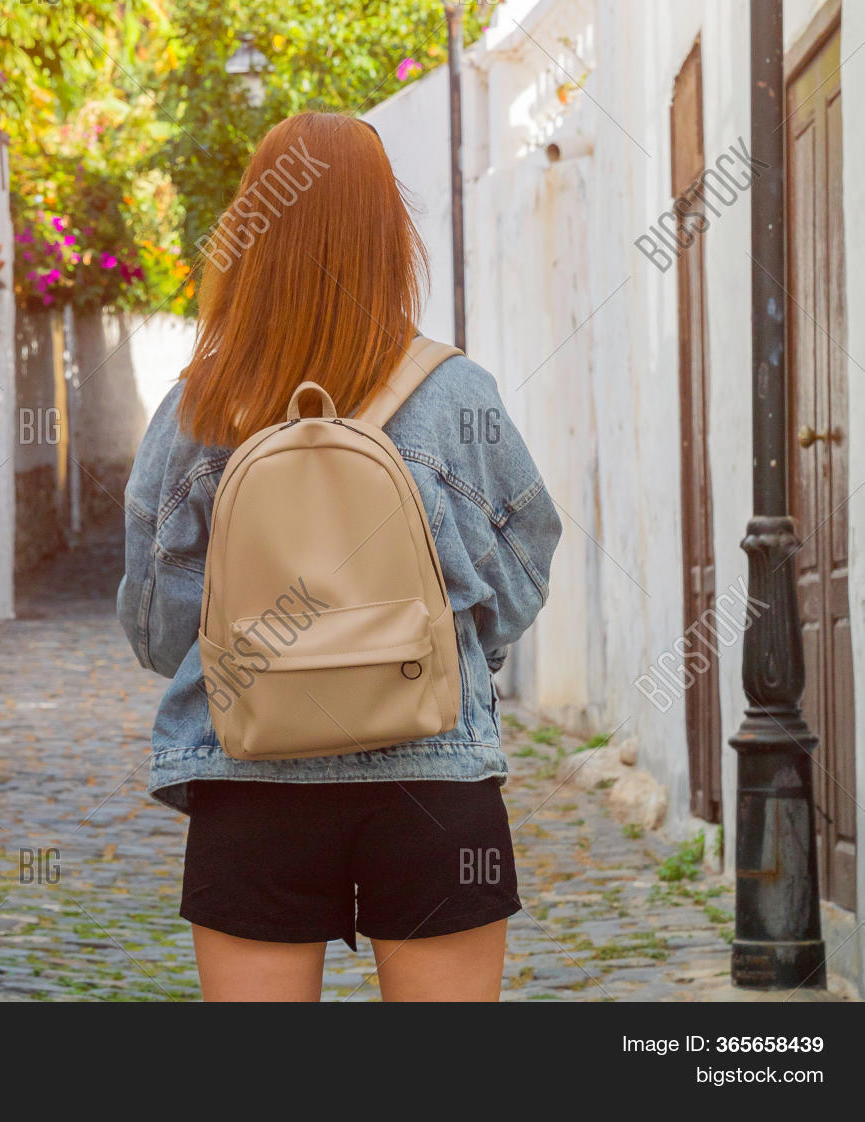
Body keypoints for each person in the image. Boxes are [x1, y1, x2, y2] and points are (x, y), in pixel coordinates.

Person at [116, 112, 562, 1002]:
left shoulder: (196, 408)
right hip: (436, 783)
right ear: (390, 238)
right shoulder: (456, 394)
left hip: (250, 785)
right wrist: (441, 657)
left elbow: (160, 626)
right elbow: (522, 569)